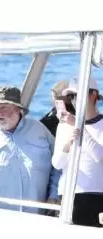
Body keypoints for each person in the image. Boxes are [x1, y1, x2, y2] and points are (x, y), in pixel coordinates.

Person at [52, 75, 103, 227]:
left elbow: (100, 157)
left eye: (77, 95)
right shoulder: (64, 125)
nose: (74, 99)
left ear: (93, 95)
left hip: (96, 196)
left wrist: (79, 129)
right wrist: (67, 146)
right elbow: (57, 164)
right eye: (70, 96)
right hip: (66, 195)